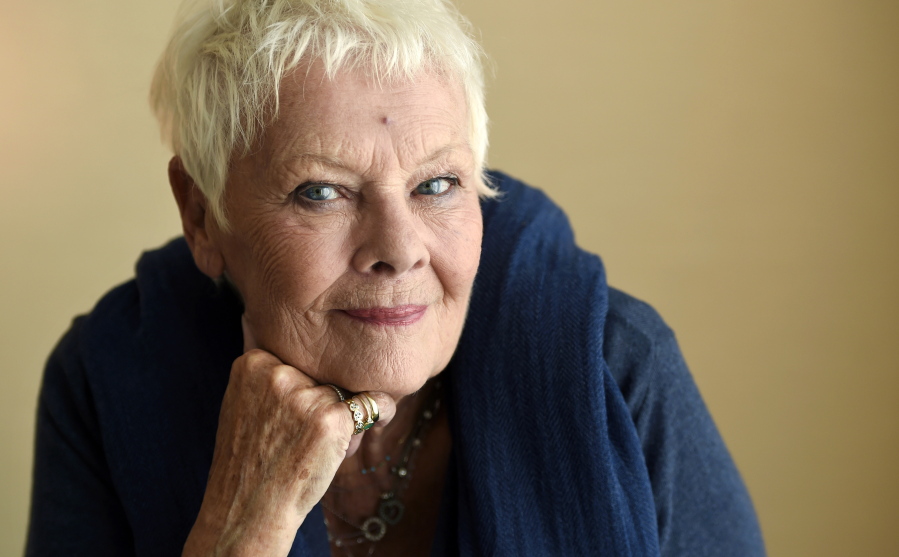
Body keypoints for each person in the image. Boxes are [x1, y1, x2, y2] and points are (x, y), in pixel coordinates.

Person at [25, 0, 766, 555]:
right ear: (200, 214)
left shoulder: (617, 365)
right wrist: (242, 526)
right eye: (321, 191)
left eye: (437, 184)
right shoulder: (105, 378)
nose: (399, 249)